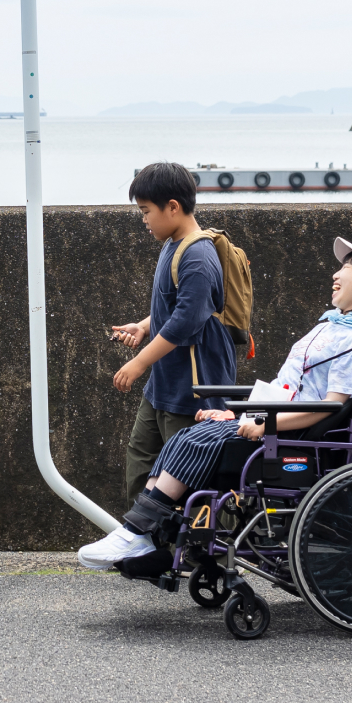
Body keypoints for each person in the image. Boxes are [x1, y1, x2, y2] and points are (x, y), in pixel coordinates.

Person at [81, 239, 352, 567]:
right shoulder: (327, 328)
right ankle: (144, 534)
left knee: (197, 442)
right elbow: (284, 388)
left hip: (292, 435)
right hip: (274, 418)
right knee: (189, 434)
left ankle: (137, 532)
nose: (335, 274)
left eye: (346, 268)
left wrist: (262, 423)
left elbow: (331, 406)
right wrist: (237, 412)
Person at [110, 163, 238, 509]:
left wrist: (137, 364)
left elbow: (185, 322)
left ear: (172, 207)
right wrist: (144, 325)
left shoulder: (197, 255)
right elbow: (174, 306)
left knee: (190, 476)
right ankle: (144, 543)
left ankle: (194, 552)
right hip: (164, 383)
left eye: (146, 211)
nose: (144, 219)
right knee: (141, 460)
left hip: (193, 385)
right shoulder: (173, 244)